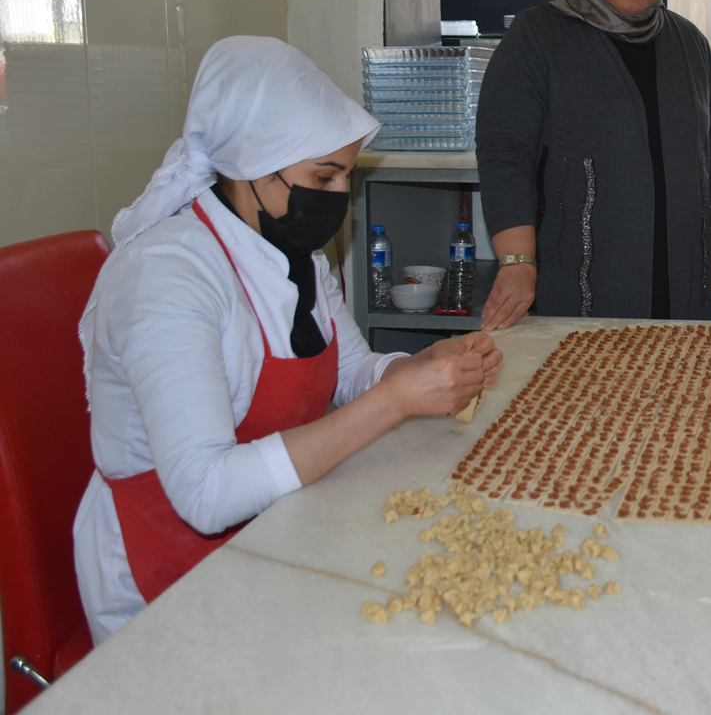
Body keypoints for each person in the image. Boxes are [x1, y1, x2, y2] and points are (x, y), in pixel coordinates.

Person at [74, 37, 501, 643]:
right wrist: (395, 401)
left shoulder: (289, 248)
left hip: (270, 531)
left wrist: (423, 368)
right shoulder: (168, 276)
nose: (334, 199)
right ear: (249, 166)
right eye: (322, 177)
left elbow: (351, 373)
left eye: (344, 178)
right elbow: (204, 492)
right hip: (163, 575)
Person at [475, 0, 711, 328]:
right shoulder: (538, 37)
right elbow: (505, 155)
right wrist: (516, 260)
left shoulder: (689, 44)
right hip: (583, 289)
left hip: (682, 289)